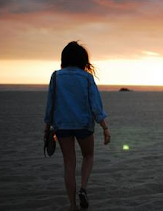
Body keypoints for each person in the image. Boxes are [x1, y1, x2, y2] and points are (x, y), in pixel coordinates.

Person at [44, 41, 111, 211]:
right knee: (88, 156)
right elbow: (95, 105)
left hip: (62, 125)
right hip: (83, 124)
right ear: (83, 60)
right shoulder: (87, 77)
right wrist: (104, 127)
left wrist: (46, 128)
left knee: (69, 163)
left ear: (64, 58)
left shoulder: (56, 76)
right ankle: (83, 188)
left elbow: (50, 104)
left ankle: (73, 206)